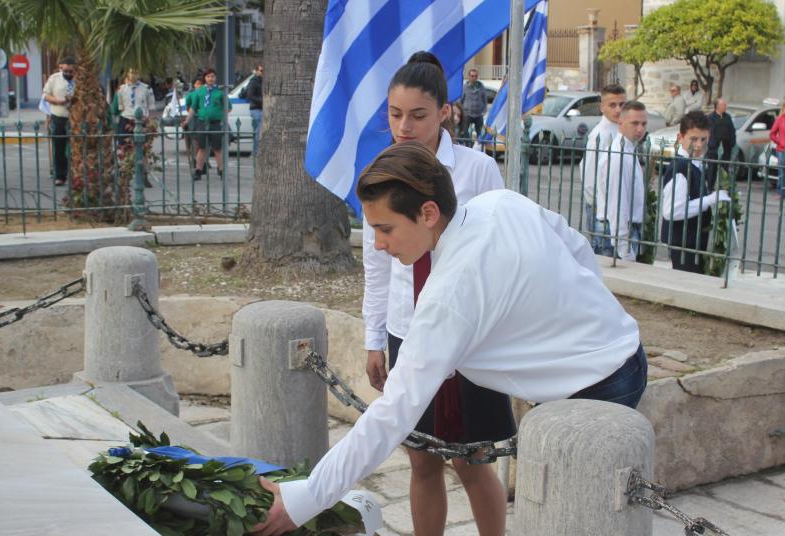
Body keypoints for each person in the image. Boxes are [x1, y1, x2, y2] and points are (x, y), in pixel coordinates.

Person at [252, 141, 648, 535]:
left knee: (576, 520)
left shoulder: (448, 296)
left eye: (385, 229)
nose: (379, 244)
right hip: (624, 350)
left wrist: (306, 499)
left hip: (595, 386)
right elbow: (576, 246)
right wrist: (599, 318)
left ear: (427, 213)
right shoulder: (500, 203)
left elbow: (391, 415)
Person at [362, 51, 510, 536]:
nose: (404, 127)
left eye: (418, 115)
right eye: (394, 114)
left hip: (467, 339)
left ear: (444, 112)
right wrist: (374, 339)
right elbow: (377, 265)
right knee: (421, 460)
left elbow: (498, 254)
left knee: (472, 463)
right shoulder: (380, 172)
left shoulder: (477, 170)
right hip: (409, 331)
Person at [660, 111, 731, 273]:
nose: (699, 145)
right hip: (684, 243)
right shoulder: (681, 167)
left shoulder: (694, 164)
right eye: (693, 139)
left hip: (693, 242)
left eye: (703, 139)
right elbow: (672, 211)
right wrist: (710, 200)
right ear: (680, 138)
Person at [580, 83, 626, 254]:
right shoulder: (600, 135)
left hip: (615, 207)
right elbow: (590, 176)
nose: (618, 109)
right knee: (604, 254)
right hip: (601, 209)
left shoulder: (619, 129)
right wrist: (598, 206)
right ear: (602, 107)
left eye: (622, 104)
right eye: (612, 105)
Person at [600, 101, 648, 261]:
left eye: (643, 124)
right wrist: (624, 249)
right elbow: (616, 203)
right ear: (620, 123)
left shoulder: (628, 150)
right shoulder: (618, 156)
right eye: (635, 123)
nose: (640, 129)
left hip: (625, 231)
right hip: (618, 234)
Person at [182, 68, 231, 181]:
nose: (210, 78)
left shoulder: (220, 92)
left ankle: (221, 170)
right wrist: (187, 121)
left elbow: (228, 108)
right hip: (202, 122)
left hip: (215, 123)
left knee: (217, 149)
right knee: (202, 148)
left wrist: (220, 115)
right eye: (208, 76)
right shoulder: (199, 92)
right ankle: (198, 170)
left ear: (215, 78)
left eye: (212, 76)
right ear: (205, 78)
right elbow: (193, 108)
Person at [43, 57, 76, 186]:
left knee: (77, 147)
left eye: (71, 71)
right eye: (65, 71)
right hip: (59, 116)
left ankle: (76, 175)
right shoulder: (54, 78)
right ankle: (60, 176)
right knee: (59, 148)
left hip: (76, 118)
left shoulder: (81, 79)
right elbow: (46, 95)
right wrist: (58, 101)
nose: (68, 73)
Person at [116, 68, 155, 143]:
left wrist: (150, 122)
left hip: (142, 120)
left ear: (139, 74)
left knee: (142, 145)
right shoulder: (121, 89)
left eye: (136, 73)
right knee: (124, 144)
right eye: (131, 73)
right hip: (126, 119)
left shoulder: (147, 88)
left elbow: (151, 107)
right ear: (127, 73)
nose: (133, 75)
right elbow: (121, 108)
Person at [706, 98, 736, 177]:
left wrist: (732, 142)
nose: (725, 106)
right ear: (717, 106)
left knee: (724, 169)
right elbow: (710, 132)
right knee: (712, 169)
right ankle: (711, 184)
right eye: (723, 105)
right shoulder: (711, 117)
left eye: (725, 105)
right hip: (714, 149)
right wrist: (712, 144)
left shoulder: (727, 117)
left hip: (726, 148)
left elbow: (732, 130)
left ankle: (723, 183)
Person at [458, 68, 486, 141]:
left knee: (480, 133)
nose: (474, 77)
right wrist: (461, 112)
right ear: (469, 77)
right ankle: (468, 145)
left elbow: (484, 99)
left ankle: (479, 145)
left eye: (476, 76)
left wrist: (484, 110)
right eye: (472, 76)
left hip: (478, 114)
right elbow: (461, 100)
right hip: (467, 114)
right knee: (464, 132)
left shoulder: (481, 86)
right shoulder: (464, 87)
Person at [246, 64, 263, 155]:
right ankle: (256, 151)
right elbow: (250, 95)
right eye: (261, 71)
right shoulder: (254, 81)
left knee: (259, 131)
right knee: (258, 131)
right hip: (256, 109)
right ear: (256, 71)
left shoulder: (262, 81)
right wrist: (262, 101)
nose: (263, 73)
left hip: (260, 108)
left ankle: (257, 151)